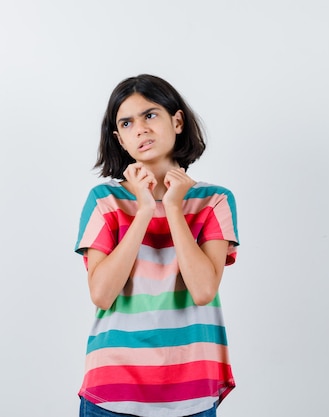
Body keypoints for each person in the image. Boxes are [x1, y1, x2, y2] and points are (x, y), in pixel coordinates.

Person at [74, 74, 239, 417]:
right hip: (113, 389)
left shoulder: (215, 200)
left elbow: (203, 289)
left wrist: (175, 207)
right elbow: (102, 294)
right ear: (120, 139)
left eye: (150, 115)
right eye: (127, 122)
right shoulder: (104, 201)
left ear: (176, 121)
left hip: (190, 389)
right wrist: (146, 208)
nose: (141, 129)